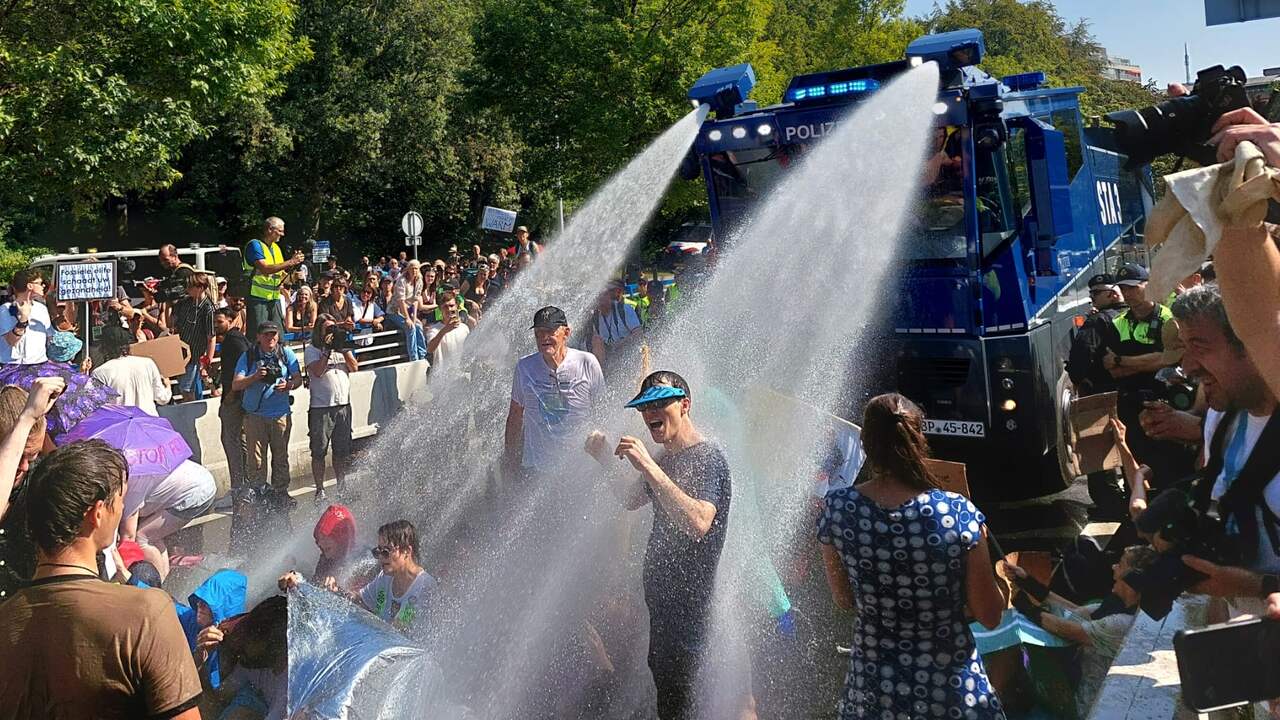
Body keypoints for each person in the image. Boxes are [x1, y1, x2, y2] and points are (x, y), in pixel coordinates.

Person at [816, 393, 1005, 720]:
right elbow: (989, 615)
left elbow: (844, 599)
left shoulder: (838, 510)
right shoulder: (958, 513)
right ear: (920, 440)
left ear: (866, 444)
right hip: (952, 693)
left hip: (874, 692)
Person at [0, 440, 203, 719]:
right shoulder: (146, 613)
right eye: (120, 500)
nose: (122, 509)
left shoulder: (6, 618)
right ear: (97, 514)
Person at [584, 371, 732, 719]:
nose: (650, 411)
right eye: (645, 406)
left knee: (682, 704)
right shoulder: (667, 458)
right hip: (664, 612)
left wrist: (648, 465)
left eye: (660, 403)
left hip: (690, 617)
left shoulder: (707, 456)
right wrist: (604, 456)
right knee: (669, 701)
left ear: (685, 405)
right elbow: (630, 498)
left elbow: (698, 522)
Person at [1172, 285, 1280, 596]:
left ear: (1251, 346)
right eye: (1184, 347)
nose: (1187, 366)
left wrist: (1259, 587)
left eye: (1200, 347)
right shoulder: (1222, 419)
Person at [1004, 545, 1160, 718]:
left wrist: (1025, 606)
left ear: (1133, 578)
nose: (1113, 567)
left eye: (1121, 565)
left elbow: (1066, 629)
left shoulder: (1122, 623)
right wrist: (1027, 581)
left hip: (1087, 705)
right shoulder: (1117, 606)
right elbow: (1074, 611)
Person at [1102, 263, 1194, 490]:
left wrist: (1124, 360)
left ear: (1148, 285)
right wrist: (1151, 360)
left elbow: (1170, 359)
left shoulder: (1168, 317)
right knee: (1135, 457)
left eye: (1134, 287)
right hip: (1130, 403)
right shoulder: (1117, 323)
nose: (1129, 293)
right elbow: (1112, 368)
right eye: (1124, 288)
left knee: (1170, 462)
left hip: (1164, 400)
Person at [281, 519, 436, 633]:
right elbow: (360, 601)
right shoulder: (385, 578)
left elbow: (397, 632)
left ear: (406, 552)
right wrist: (336, 591)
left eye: (386, 552)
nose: (380, 557)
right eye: (378, 551)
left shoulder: (423, 587)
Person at [504, 306, 606, 478]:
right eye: (539, 332)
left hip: (581, 467)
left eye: (550, 331)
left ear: (566, 333)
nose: (544, 337)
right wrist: (510, 460)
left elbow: (603, 409)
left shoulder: (586, 362)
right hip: (538, 468)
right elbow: (515, 415)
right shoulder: (524, 367)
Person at [1066, 273, 1128, 518]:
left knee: (1099, 449)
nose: (1092, 299)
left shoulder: (1098, 321)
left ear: (1111, 294)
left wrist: (1079, 380)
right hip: (1133, 393)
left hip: (1102, 393)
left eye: (1095, 294)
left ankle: (1109, 503)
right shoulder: (1133, 317)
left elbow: (1080, 356)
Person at [0, 378, 64, 601]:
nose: (25, 466)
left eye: (33, 456)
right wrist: (25, 419)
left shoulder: (42, 481)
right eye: (19, 456)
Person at [233, 321, 303, 509]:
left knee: (280, 456)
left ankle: (281, 492)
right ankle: (259, 491)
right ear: (258, 337)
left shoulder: (285, 353)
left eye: (274, 334)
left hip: (280, 414)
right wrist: (255, 377)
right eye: (266, 335)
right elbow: (236, 384)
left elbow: (298, 379)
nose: (271, 338)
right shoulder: (248, 356)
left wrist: (288, 385)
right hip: (255, 415)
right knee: (256, 458)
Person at [120, 459, 217, 580]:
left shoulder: (133, 486)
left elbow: (128, 537)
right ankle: (163, 577)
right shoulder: (135, 465)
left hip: (197, 492)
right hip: (202, 480)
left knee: (142, 537)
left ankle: (157, 588)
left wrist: (122, 572)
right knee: (153, 535)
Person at [306, 315, 359, 501]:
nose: (331, 332)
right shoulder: (312, 350)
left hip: (343, 405)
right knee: (319, 450)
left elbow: (354, 368)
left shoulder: (341, 347)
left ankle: (342, 487)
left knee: (341, 450)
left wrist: (343, 349)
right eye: (327, 329)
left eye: (333, 328)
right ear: (319, 331)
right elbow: (318, 372)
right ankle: (320, 490)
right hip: (321, 407)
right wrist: (327, 350)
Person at [175, 568, 247, 690]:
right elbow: (163, 605)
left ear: (223, 609)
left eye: (207, 601)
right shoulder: (192, 619)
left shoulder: (237, 649)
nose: (199, 604)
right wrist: (132, 580)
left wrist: (200, 659)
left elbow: (215, 698)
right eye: (200, 598)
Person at [243, 217, 307, 334]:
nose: (282, 234)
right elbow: (265, 269)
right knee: (259, 336)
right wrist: (291, 262)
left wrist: (294, 276)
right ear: (269, 230)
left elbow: (281, 276)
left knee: (278, 336)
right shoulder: (255, 245)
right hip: (258, 299)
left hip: (274, 299)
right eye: (280, 231)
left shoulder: (276, 248)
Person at [214, 308, 251, 490]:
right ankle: (245, 483)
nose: (216, 325)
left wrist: (232, 392)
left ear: (231, 320)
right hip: (238, 395)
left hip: (234, 398)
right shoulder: (234, 338)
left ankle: (238, 486)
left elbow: (244, 360)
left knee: (231, 441)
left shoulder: (234, 339)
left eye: (220, 322)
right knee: (239, 440)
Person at [169, 272, 216, 402]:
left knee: (187, 390)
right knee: (181, 387)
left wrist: (207, 360)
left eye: (190, 287)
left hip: (194, 356)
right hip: (179, 352)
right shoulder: (184, 303)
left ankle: (189, 417)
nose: (187, 289)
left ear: (200, 287)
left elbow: (211, 336)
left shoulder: (208, 308)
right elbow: (172, 321)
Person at [0, 268, 52, 365]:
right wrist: (23, 319)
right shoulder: (5, 309)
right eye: (40, 283)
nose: (43, 286)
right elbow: (11, 341)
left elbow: (50, 337)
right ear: (30, 286)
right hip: (14, 366)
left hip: (40, 363)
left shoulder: (42, 309)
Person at [591, 281, 643, 371]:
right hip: (611, 362)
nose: (600, 301)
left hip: (631, 357)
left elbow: (638, 334)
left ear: (609, 297)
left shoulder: (624, 309)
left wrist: (621, 344)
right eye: (598, 298)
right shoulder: (596, 319)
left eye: (603, 296)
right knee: (596, 340)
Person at [388, 260, 427, 361]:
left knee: (418, 326)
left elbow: (415, 300)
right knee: (410, 328)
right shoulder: (402, 280)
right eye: (412, 268)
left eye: (416, 268)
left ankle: (423, 355)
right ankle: (414, 358)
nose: (414, 270)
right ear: (408, 269)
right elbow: (401, 301)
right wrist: (407, 318)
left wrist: (413, 318)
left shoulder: (419, 280)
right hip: (394, 310)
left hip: (408, 309)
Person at [425, 292, 469, 375]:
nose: (449, 309)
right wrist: (445, 330)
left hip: (460, 376)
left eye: (451, 306)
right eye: (445, 307)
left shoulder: (464, 328)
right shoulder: (434, 329)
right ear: (440, 309)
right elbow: (430, 349)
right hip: (440, 378)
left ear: (457, 306)